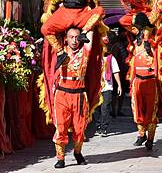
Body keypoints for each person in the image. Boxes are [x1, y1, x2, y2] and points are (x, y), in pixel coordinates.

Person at [52, 26, 94, 168]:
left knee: (80, 128)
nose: (74, 40)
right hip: (62, 94)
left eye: (77, 37)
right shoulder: (60, 51)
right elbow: (49, 28)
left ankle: (77, 152)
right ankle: (60, 158)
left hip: (79, 95)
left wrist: (84, 28)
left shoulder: (85, 50)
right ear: (66, 38)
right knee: (61, 126)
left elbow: (92, 28)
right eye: (71, 37)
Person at [129, 12, 160, 150]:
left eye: (148, 31)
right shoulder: (135, 43)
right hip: (137, 81)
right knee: (138, 109)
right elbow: (124, 21)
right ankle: (141, 134)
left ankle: (150, 139)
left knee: (151, 111)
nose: (145, 34)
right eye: (143, 30)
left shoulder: (155, 43)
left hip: (151, 81)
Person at [95, 43, 122, 137]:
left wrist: (119, 85)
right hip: (96, 87)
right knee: (96, 108)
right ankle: (98, 126)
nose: (105, 48)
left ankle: (104, 128)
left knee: (105, 107)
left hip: (107, 86)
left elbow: (116, 72)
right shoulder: (95, 57)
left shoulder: (111, 58)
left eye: (106, 46)